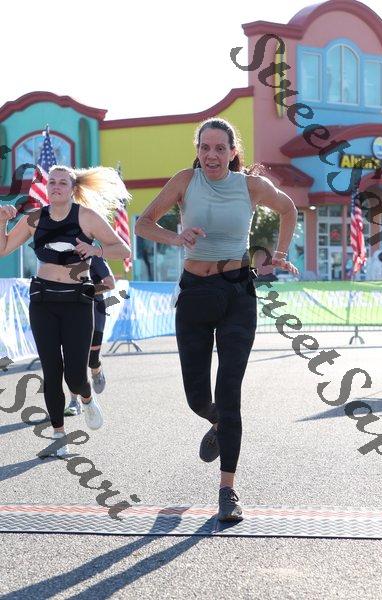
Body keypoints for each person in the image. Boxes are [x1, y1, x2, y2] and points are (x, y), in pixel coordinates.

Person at [135, 118, 298, 522]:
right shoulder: (184, 181)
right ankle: (217, 422)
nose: (212, 155)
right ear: (198, 150)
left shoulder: (250, 186)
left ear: (232, 151)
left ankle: (227, 490)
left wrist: (279, 254)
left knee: (229, 391)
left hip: (237, 293)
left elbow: (288, 208)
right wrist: (177, 237)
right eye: (205, 147)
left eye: (220, 148)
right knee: (197, 397)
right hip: (194, 293)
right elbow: (143, 223)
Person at [0, 165, 131, 456]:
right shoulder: (35, 218)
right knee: (51, 370)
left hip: (77, 302)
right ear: (46, 187)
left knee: (74, 375)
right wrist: (2, 223)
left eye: (62, 182)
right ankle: (59, 434)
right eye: (52, 182)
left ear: (72, 189)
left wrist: (96, 250)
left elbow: (123, 250)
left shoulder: (86, 217)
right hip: (43, 300)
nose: (56, 186)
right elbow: (3, 248)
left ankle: (86, 397)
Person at [64, 255, 115, 416]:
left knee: (91, 359)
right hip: (71, 314)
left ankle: (96, 369)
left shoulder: (94, 256)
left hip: (95, 313)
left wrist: (84, 290)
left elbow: (110, 284)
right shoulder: (61, 256)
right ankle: (74, 401)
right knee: (72, 361)